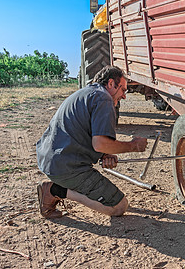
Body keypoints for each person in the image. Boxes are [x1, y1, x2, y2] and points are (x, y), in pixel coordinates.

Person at [36, 66, 148, 219]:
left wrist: (104, 154)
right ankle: (55, 190)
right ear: (110, 84)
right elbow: (100, 143)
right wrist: (133, 146)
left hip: (49, 159)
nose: (124, 96)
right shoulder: (104, 98)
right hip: (65, 167)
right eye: (123, 90)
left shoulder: (88, 93)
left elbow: (88, 135)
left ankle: (59, 186)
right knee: (119, 206)